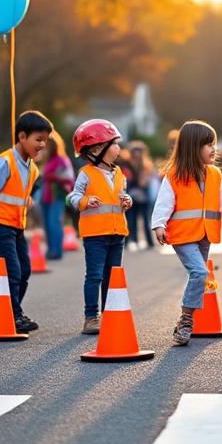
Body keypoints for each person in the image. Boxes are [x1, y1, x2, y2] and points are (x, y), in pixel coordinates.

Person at [151, 120, 222, 346]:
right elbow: (163, 204)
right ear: (193, 147)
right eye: (208, 144)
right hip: (182, 235)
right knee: (200, 273)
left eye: (214, 144)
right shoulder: (174, 176)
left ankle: (186, 320)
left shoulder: (215, 174)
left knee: (198, 276)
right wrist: (159, 224)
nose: (214, 149)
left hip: (205, 234)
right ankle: (185, 321)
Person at [0, 110, 52, 335]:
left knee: (24, 271)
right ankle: (13, 315)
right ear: (22, 136)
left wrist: (27, 201)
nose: (42, 144)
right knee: (12, 271)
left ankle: (13, 312)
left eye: (45, 140)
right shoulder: (6, 161)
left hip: (16, 225)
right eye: (38, 139)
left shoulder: (32, 168)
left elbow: (22, 193)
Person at [67, 119, 131, 335]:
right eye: (114, 143)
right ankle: (91, 317)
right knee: (95, 275)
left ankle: (109, 314)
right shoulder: (86, 174)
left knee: (113, 276)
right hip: (95, 235)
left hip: (117, 233)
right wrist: (85, 201)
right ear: (97, 149)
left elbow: (121, 195)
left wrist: (127, 201)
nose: (118, 148)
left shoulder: (119, 173)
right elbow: (72, 197)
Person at [35, 131, 75, 260]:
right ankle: (50, 249)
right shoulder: (47, 160)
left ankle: (57, 251)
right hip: (45, 196)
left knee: (54, 223)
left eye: (47, 145)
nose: (44, 148)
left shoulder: (61, 160)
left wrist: (54, 177)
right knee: (46, 224)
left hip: (57, 195)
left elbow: (69, 178)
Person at [125, 141, 157, 249]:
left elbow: (143, 182)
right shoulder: (127, 165)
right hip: (131, 197)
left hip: (144, 198)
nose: (137, 153)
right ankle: (131, 241)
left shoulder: (146, 165)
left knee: (145, 220)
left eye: (139, 151)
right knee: (131, 220)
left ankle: (150, 242)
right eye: (134, 151)